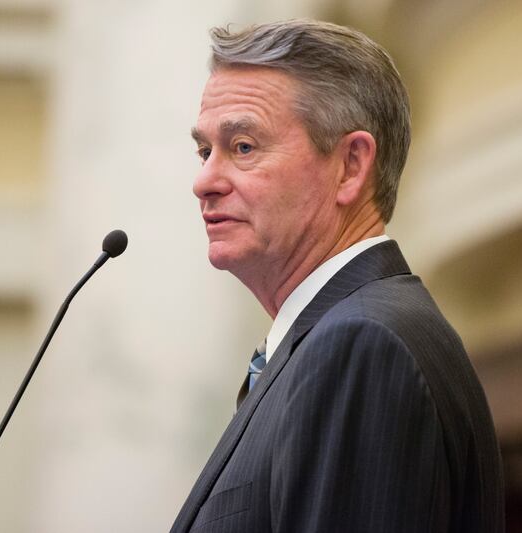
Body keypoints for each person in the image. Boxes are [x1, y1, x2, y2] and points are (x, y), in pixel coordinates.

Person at [172, 19, 504, 532]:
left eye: (243, 147)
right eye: (204, 151)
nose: (205, 181)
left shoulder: (361, 347)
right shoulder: (333, 340)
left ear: (350, 166)